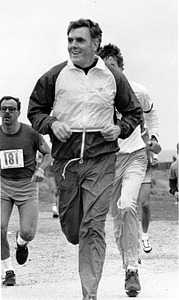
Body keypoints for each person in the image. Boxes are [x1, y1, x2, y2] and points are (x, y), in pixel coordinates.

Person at [27, 18, 143, 300]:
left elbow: (133, 113)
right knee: (73, 230)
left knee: (93, 225)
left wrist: (119, 128)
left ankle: (89, 294)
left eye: (79, 40)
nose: (73, 46)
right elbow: (35, 111)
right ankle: (75, 233)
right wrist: (52, 123)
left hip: (101, 159)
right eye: (70, 40)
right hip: (66, 163)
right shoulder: (55, 76)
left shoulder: (113, 77)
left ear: (95, 44)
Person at [98, 43, 161, 297]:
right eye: (105, 67)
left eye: (114, 67)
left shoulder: (137, 90)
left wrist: (154, 136)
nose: (110, 72)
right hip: (108, 161)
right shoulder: (98, 93)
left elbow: (151, 112)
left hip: (135, 157)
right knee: (116, 221)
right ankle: (129, 263)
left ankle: (132, 269)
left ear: (121, 68)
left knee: (127, 206)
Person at [0, 96, 52, 286]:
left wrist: (40, 169)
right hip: (3, 185)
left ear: (18, 112)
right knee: (0, 227)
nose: (7, 112)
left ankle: (21, 242)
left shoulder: (30, 133)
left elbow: (49, 154)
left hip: (27, 185)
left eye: (11, 109)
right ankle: (9, 271)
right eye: (3, 109)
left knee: (29, 232)